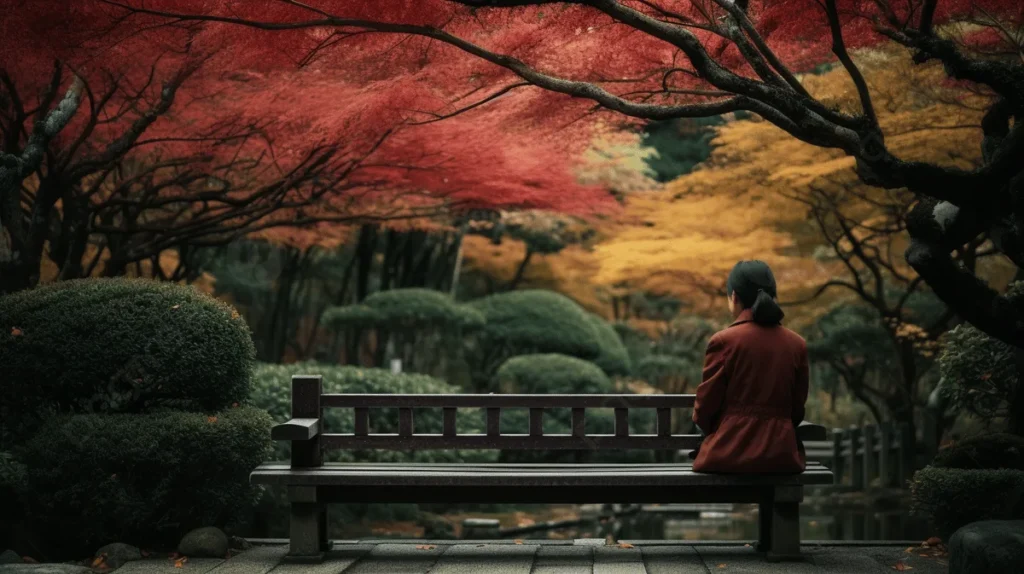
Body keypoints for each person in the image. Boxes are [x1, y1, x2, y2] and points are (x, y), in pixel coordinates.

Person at [690, 260, 809, 474]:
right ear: (773, 296)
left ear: (734, 296)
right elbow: (797, 408)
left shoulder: (724, 341)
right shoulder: (797, 344)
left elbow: (705, 407)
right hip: (781, 456)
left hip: (729, 453)